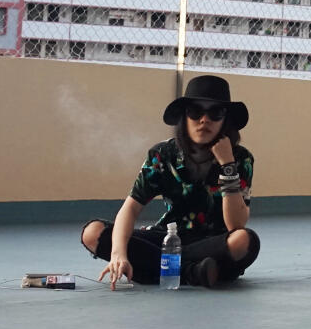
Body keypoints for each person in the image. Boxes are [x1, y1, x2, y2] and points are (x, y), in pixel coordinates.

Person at [80, 74, 260, 289]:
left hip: (213, 243)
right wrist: (118, 254)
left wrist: (227, 165)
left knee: (244, 241)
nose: (204, 120)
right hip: (169, 237)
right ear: (184, 116)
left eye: (215, 113)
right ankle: (193, 272)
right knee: (93, 233)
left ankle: (157, 268)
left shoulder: (241, 158)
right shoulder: (163, 154)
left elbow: (235, 225)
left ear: (225, 120)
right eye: (195, 111)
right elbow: (131, 208)